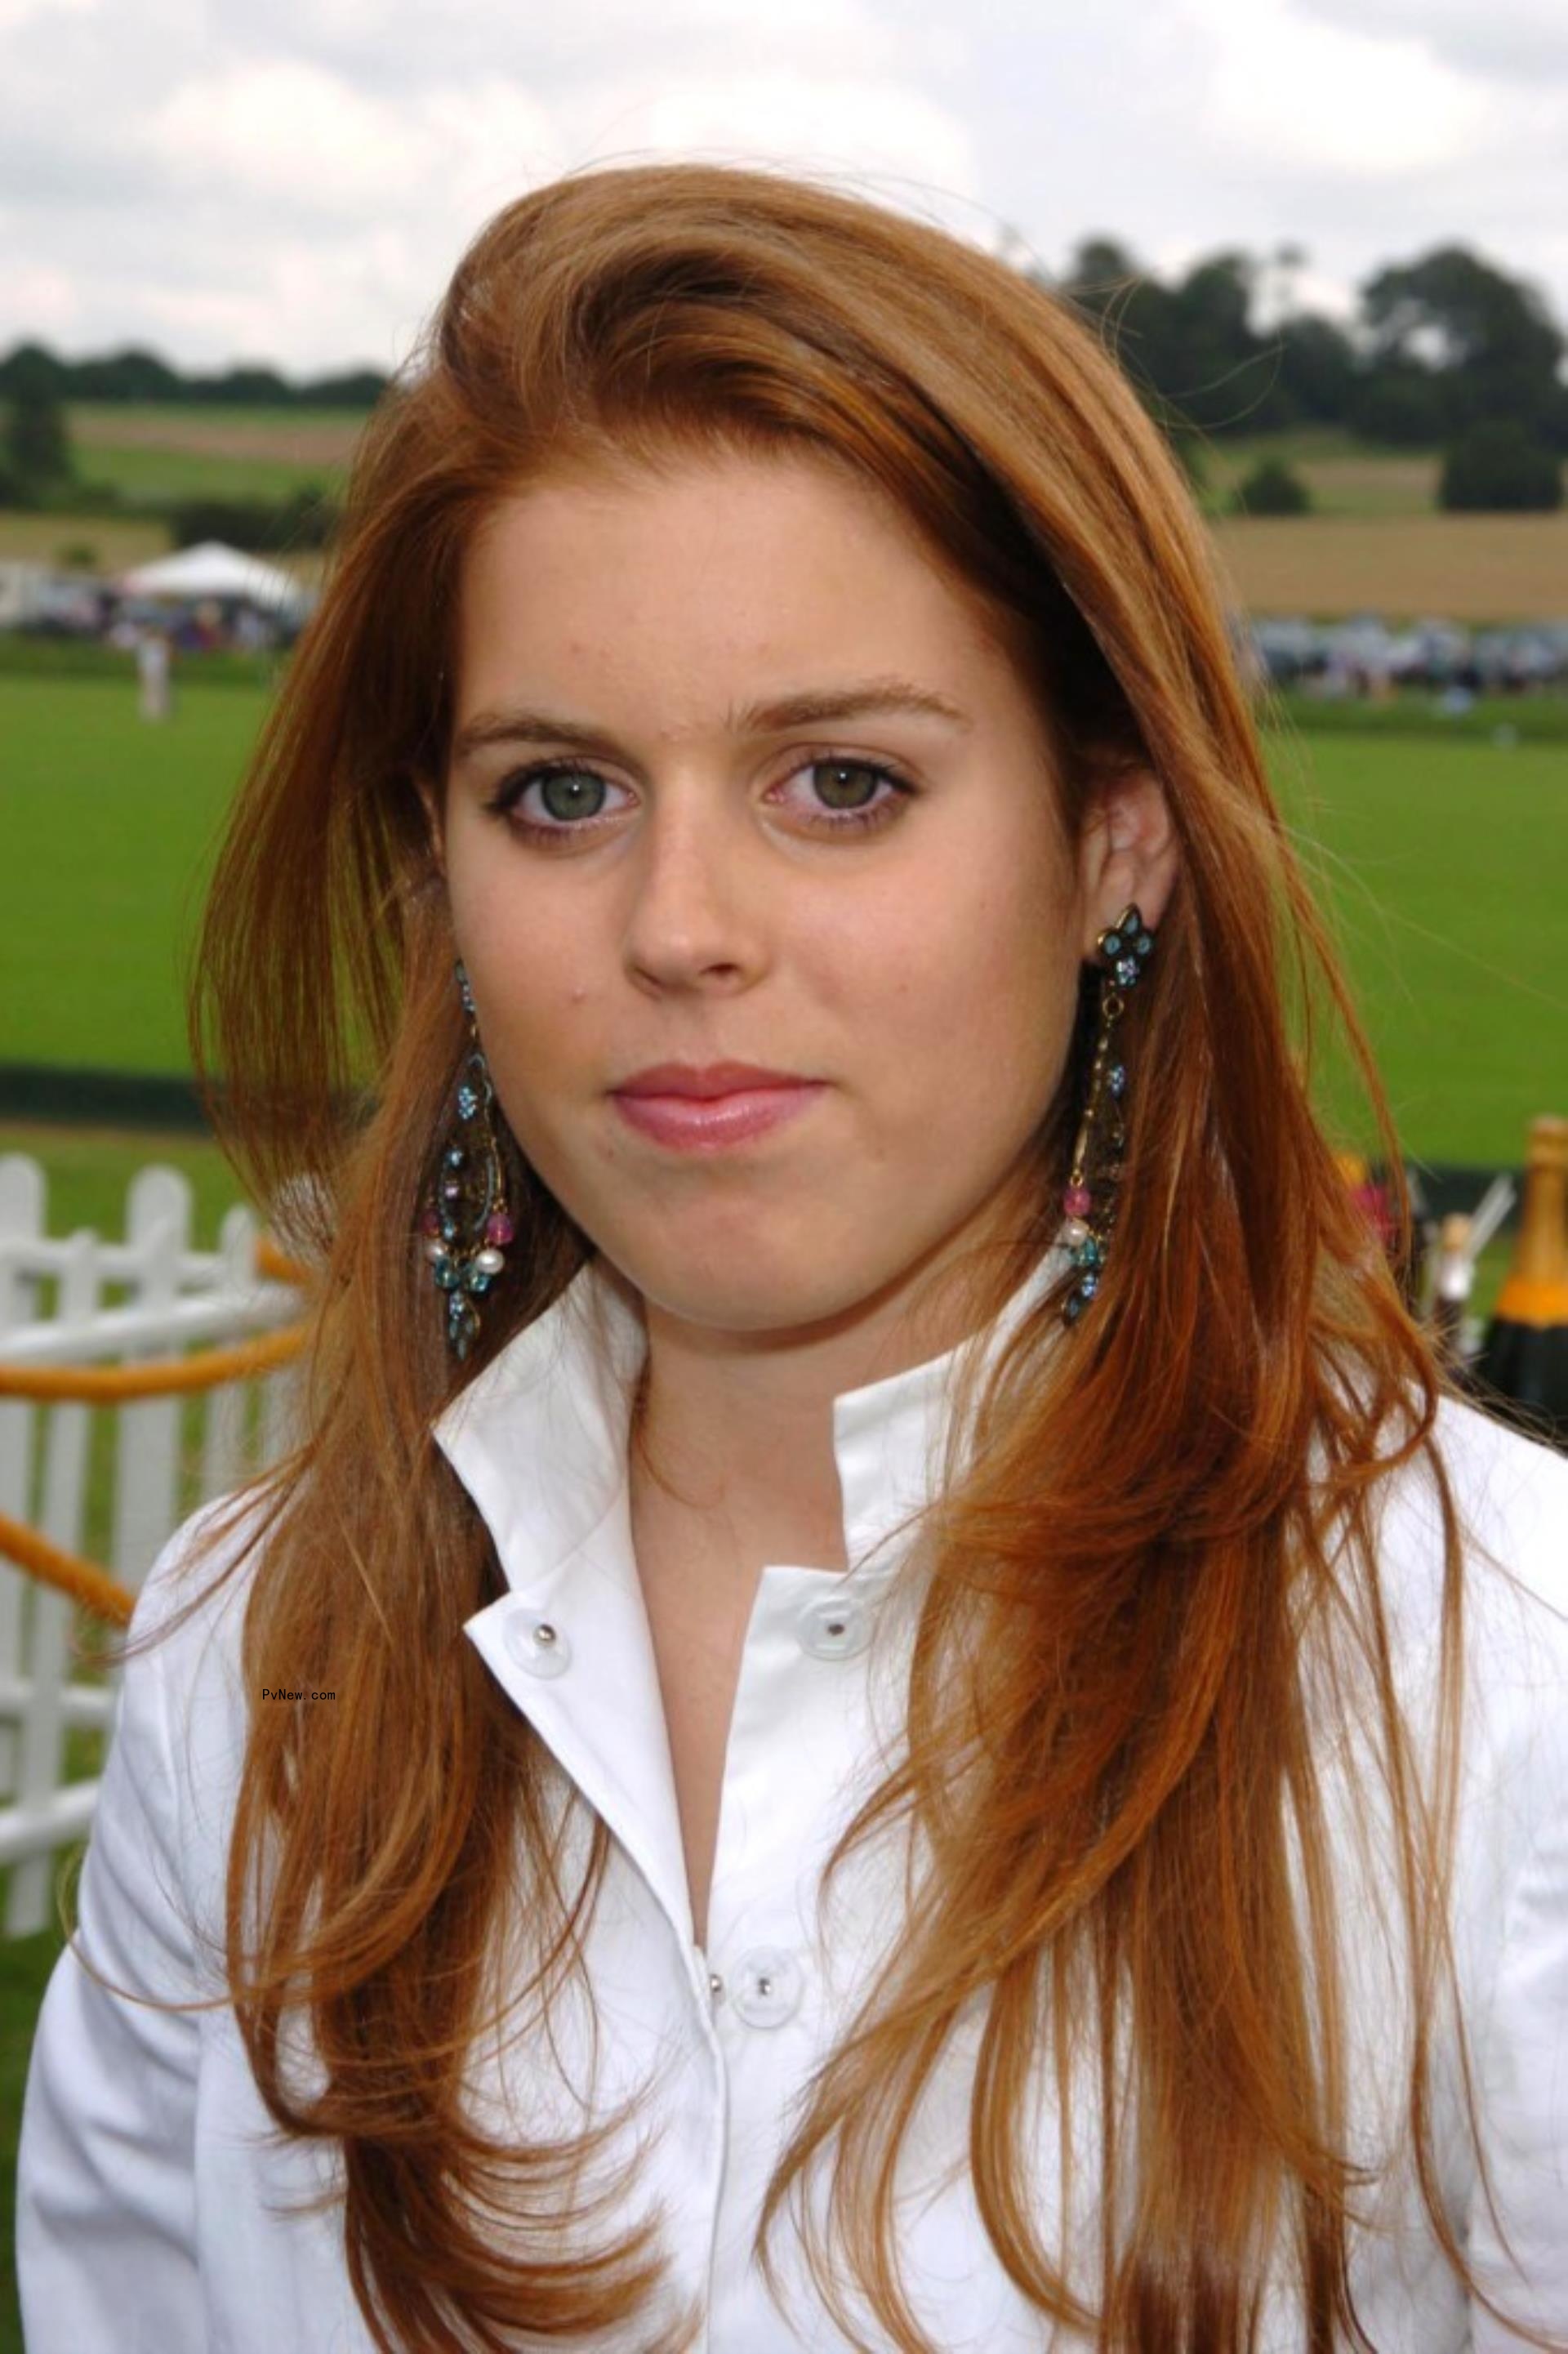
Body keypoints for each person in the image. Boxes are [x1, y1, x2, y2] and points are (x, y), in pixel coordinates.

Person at [17, 163, 1568, 2354]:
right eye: (561, 792)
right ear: (439, 870)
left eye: (841, 781)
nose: (678, 926)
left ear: (1110, 841)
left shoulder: (1503, 1689)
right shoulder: (247, 1661)